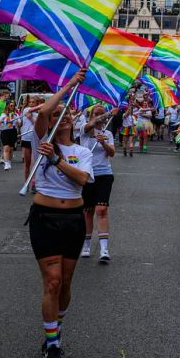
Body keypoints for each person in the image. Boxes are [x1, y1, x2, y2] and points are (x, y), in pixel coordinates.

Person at [25, 69, 93, 358]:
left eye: (67, 116)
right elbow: (45, 110)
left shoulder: (81, 150)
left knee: (65, 283)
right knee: (52, 282)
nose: (61, 117)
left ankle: (56, 329)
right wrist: (70, 85)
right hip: (45, 217)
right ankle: (52, 345)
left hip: (73, 220)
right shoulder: (41, 139)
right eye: (57, 116)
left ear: (73, 121)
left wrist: (56, 160)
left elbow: (82, 180)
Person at [79, 105, 116, 261]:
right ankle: (86, 245)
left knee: (101, 209)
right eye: (96, 114)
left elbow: (112, 153)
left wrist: (103, 143)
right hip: (87, 175)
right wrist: (107, 113)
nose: (100, 117)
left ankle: (104, 249)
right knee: (88, 211)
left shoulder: (107, 133)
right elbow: (92, 124)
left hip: (104, 174)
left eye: (102, 114)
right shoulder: (84, 130)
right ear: (90, 116)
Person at [0, 100, 20, 170]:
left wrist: (17, 123)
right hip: (5, 132)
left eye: (13, 105)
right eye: (11, 105)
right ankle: (6, 163)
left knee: (11, 149)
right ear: (8, 106)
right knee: (6, 148)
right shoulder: (3, 114)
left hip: (13, 132)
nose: (12, 107)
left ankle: (9, 161)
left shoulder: (16, 114)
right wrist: (2, 121)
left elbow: (20, 124)